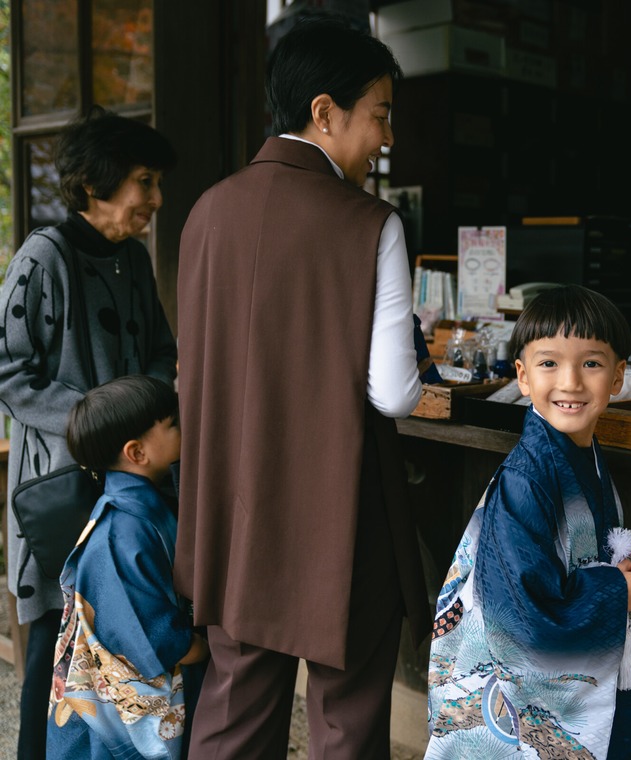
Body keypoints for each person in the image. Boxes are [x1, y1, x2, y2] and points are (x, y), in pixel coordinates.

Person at [174, 15, 429, 759]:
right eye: (379, 114)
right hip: (342, 515)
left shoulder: (206, 212)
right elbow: (394, 394)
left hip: (236, 512)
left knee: (233, 715)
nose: (386, 137)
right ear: (325, 111)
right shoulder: (370, 223)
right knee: (346, 725)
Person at [0, 107, 178, 760]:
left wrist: (141, 412)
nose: (156, 200)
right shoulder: (43, 257)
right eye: (144, 182)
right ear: (94, 184)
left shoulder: (134, 258)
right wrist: (100, 419)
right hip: (63, 490)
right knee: (55, 650)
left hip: (128, 483)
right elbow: (8, 370)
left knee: (120, 642)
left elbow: (161, 351)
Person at [425, 285, 631, 759]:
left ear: (618, 377)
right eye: (549, 363)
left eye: (591, 363)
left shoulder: (581, 455)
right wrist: (616, 594)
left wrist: (618, 558)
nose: (570, 382)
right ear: (523, 377)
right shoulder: (526, 479)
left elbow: (572, 553)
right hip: (524, 690)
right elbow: (521, 614)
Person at [47, 375, 207, 759]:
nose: (185, 427)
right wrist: (200, 649)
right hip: (126, 693)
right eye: (173, 424)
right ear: (137, 452)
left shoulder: (139, 507)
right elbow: (145, 629)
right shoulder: (120, 532)